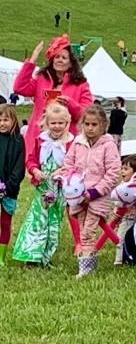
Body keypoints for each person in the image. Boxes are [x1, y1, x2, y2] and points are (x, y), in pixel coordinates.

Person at [62, 105, 122, 278]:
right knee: (83, 229)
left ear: (103, 125)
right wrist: (71, 183)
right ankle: (89, 261)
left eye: (94, 124)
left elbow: (113, 172)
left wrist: (95, 192)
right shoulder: (78, 142)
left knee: (89, 230)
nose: (89, 128)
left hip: (98, 196)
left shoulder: (108, 145)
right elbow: (68, 164)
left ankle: (86, 267)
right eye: (87, 124)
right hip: (79, 196)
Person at [13, 103, 73, 267]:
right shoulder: (41, 140)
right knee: (38, 221)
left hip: (60, 190)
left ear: (67, 123)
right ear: (47, 123)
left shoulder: (70, 142)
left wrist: (62, 171)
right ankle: (31, 257)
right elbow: (31, 159)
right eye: (53, 123)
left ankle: (45, 258)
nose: (57, 127)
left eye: (61, 123)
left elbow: (74, 164)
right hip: (43, 187)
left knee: (54, 223)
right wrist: (34, 170)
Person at [13, 35, 94, 155]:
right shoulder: (41, 78)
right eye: (57, 57)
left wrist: (71, 104)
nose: (59, 60)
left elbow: (87, 115)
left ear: (70, 63)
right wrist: (31, 61)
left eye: (64, 57)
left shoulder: (81, 84)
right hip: (39, 139)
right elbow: (19, 87)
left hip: (66, 142)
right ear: (52, 60)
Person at [0, 104, 26, 266]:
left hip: (9, 190)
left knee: (5, 223)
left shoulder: (18, 140)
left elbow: (19, 167)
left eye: (6, 120)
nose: (2, 123)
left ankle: (1, 257)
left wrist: (9, 186)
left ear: (13, 121)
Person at [112, 155, 136, 266]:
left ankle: (119, 261)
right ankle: (133, 258)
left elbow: (132, 200)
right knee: (130, 239)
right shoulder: (125, 184)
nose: (122, 171)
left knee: (120, 239)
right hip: (124, 218)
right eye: (122, 168)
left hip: (130, 218)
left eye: (126, 169)